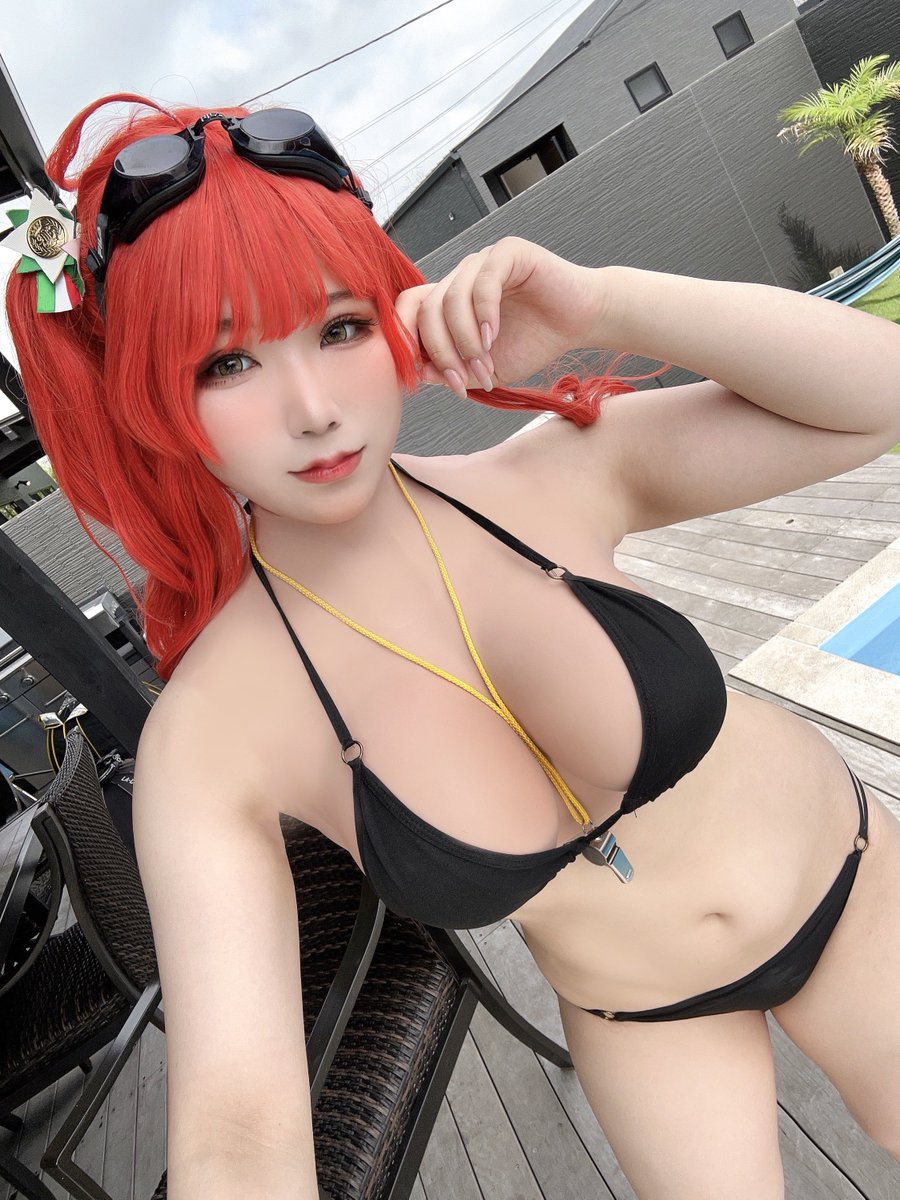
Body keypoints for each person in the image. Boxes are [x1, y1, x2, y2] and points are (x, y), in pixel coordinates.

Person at [5, 92, 900, 1200]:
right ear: (153, 398)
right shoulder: (212, 737)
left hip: (851, 884)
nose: (313, 408)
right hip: (648, 1017)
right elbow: (237, 1128)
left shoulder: (554, 474)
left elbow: (879, 394)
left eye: (339, 327)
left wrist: (600, 302)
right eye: (225, 363)